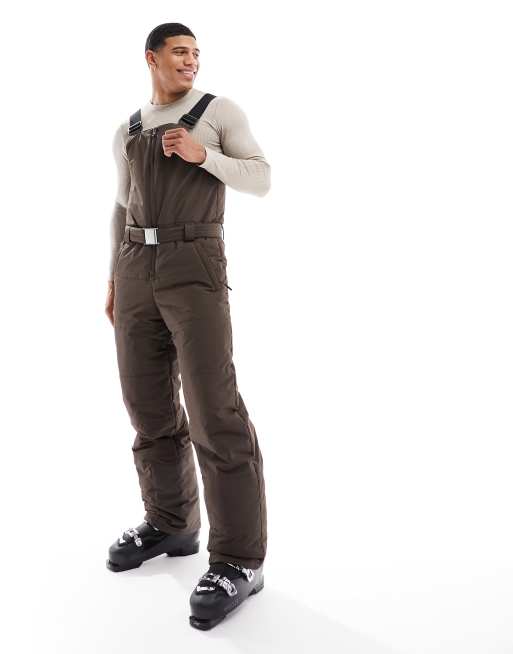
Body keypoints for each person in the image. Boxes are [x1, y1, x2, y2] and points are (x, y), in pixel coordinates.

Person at [103, 22, 270, 630]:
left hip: (193, 261)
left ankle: (239, 560)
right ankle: (171, 523)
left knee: (212, 408)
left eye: (196, 53)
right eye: (180, 52)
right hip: (135, 266)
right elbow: (122, 204)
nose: (191, 61)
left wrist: (206, 156)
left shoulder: (218, 112)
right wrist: (114, 278)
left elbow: (262, 176)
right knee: (146, 405)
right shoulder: (130, 128)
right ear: (152, 57)